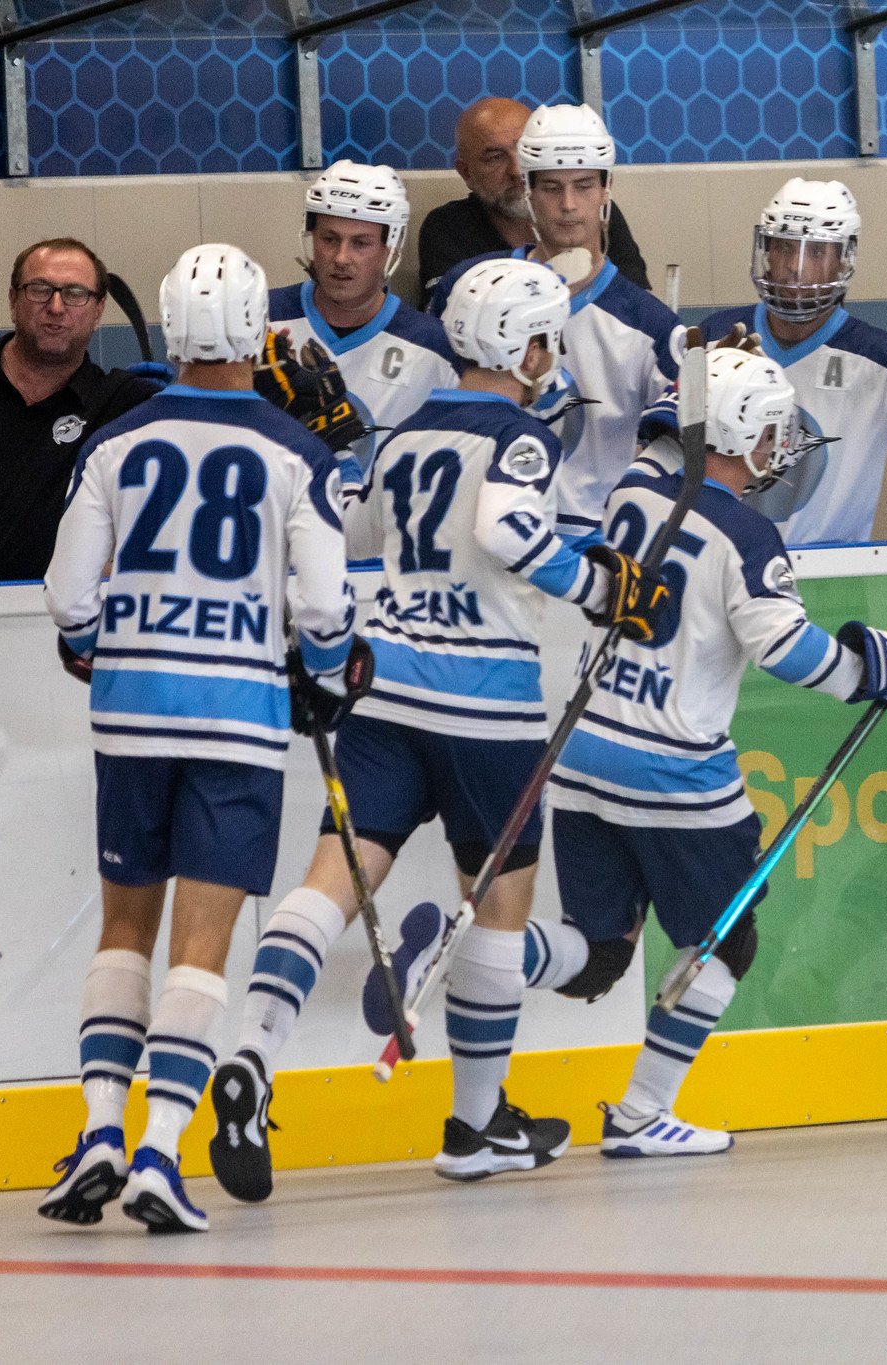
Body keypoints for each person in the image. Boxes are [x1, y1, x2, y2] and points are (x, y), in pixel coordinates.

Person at [383, 349, 887, 1156]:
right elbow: (786, 650)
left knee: (600, 949)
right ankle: (643, 1115)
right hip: (677, 771)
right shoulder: (749, 532)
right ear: (741, 430)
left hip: (583, 754)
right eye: (772, 427)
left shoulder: (630, 493)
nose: (780, 444)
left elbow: (659, 446)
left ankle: (476, 945)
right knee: (725, 937)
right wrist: (875, 671)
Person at [203, 259, 668, 1196]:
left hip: (386, 694)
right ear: (521, 342)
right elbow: (506, 531)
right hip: (486, 713)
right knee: (499, 917)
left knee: (329, 883)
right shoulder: (521, 437)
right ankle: (473, 1123)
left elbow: (346, 530)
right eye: (546, 341)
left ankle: (251, 1054)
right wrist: (602, 586)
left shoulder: (404, 433)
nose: (551, 361)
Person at [36, 244, 365, 1232]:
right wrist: (326, 674)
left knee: (122, 926)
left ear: (172, 329)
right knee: (202, 945)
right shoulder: (293, 451)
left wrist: (97, 645)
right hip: (236, 720)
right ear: (256, 335)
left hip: (130, 713)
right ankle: (156, 1156)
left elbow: (66, 598)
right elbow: (323, 613)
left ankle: (97, 1131)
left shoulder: (116, 442)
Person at [430, 103, 681, 546]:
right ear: (526, 190)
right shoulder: (468, 290)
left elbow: (689, 444)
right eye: (551, 188)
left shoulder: (650, 325)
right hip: (481, 541)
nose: (567, 206)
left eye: (583, 186)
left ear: (606, 189)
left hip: (595, 553)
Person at [697, 178, 887, 546]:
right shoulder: (715, 338)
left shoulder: (884, 359)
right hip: (721, 567)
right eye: (785, 248)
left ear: (842, 261)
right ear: (767, 251)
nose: (795, 268)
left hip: (833, 580)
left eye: (816, 253)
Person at [268, 160, 460, 479]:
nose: (341, 258)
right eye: (329, 239)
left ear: (390, 247)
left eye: (360, 243)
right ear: (310, 236)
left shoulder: (436, 348)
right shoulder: (260, 319)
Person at [0, 239, 159, 580]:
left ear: (98, 311)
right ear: (13, 300)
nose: (56, 307)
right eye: (40, 289)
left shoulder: (126, 407)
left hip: (59, 616)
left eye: (75, 293)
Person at [417, 96, 649, 303]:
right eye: (496, 157)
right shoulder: (448, 227)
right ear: (466, 173)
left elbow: (635, 302)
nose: (517, 170)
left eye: (525, 152)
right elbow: (449, 319)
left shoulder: (591, 211)